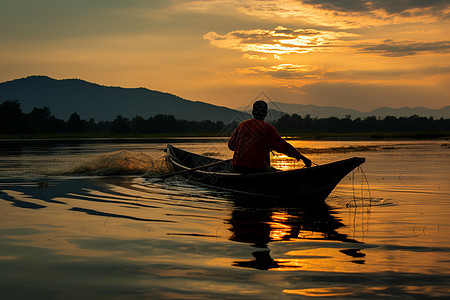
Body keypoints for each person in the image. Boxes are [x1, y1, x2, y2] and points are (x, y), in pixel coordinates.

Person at [228, 100, 311, 174]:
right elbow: (284, 146)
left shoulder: (242, 125)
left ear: (253, 113)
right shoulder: (268, 128)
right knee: (271, 169)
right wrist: (303, 158)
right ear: (266, 114)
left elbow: (231, 145)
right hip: (257, 169)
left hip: (238, 167)